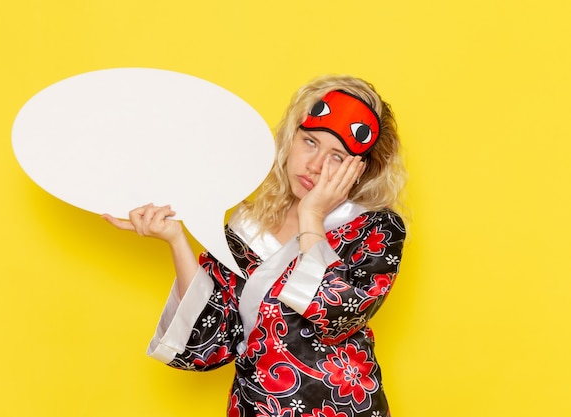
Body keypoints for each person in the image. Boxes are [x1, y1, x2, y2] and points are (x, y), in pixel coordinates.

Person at [103, 74, 407, 417]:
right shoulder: (250, 224)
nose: (315, 166)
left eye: (337, 157)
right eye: (309, 142)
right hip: (254, 407)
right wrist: (176, 239)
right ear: (290, 138)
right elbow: (212, 339)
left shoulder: (375, 229)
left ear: (360, 171)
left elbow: (335, 316)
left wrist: (311, 216)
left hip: (343, 408)